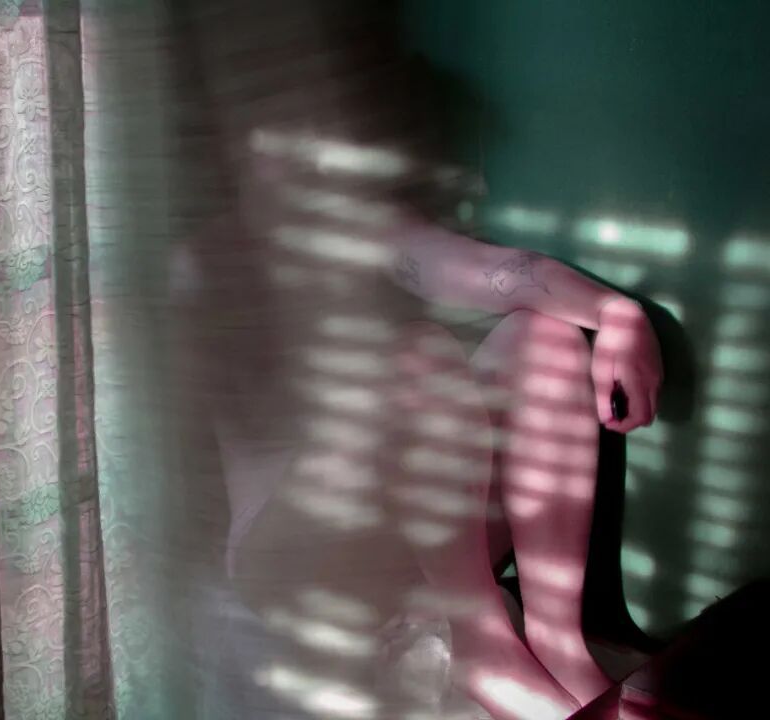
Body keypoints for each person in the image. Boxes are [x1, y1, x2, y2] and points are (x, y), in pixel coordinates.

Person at [167, 2, 664, 717]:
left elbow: (501, 275)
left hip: (406, 533)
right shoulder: (205, 265)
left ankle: (557, 641)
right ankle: (484, 645)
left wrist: (617, 314)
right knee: (420, 358)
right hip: (293, 557)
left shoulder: (364, 228)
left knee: (545, 337)